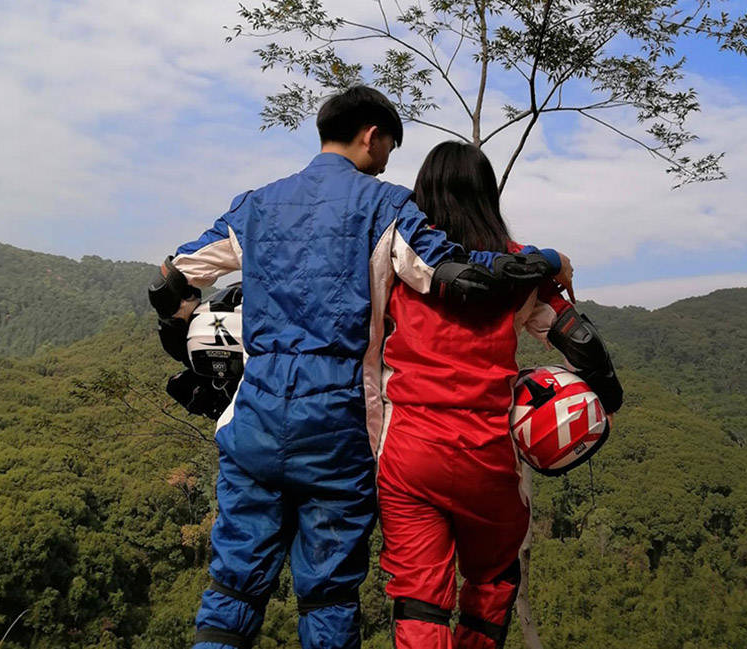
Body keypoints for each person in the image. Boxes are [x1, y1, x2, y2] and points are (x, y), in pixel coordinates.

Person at [147, 86, 573, 649]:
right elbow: (461, 278)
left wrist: (180, 327)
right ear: (371, 135)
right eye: (390, 147)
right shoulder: (386, 206)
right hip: (339, 425)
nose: (389, 161)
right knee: (327, 598)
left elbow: (170, 278)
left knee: (232, 589)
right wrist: (544, 260)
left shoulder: (255, 204)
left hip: (255, 417)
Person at [376, 141, 585, 649]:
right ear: (488, 196)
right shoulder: (523, 267)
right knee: (493, 582)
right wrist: (605, 401)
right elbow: (582, 343)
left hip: (408, 453)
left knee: (420, 602)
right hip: (486, 455)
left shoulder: (404, 262)